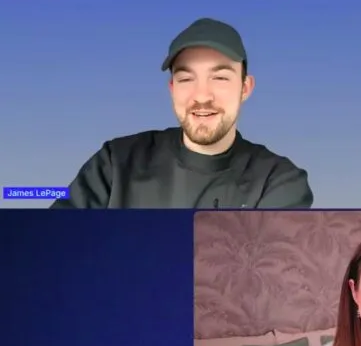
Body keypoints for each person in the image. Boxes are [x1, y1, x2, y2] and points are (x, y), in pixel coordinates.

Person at [51, 18, 313, 209]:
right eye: (187, 79)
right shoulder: (115, 163)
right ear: (172, 88)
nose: (201, 96)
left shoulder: (279, 181)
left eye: (220, 78)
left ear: (245, 88)